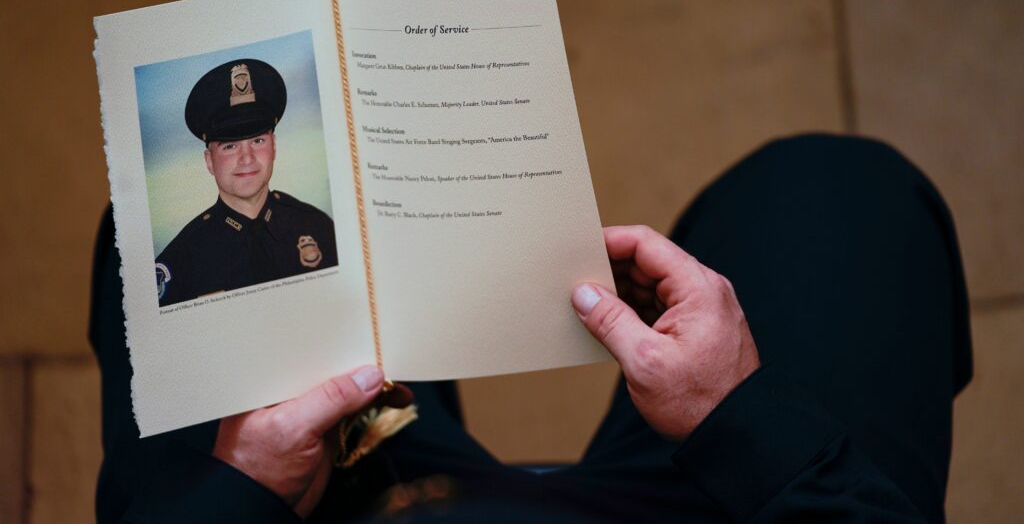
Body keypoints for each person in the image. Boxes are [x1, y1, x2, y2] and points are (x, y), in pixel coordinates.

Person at [91, 134, 972, 522]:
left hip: (341, 509)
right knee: (841, 191)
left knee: (144, 248)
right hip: (722, 511)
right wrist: (745, 424)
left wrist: (242, 494)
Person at [155, 58, 338, 306]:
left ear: (273, 147)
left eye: (258, 141)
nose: (247, 158)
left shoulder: (319, 228)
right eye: (230, 146)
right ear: (209, 161)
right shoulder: (181, 261)